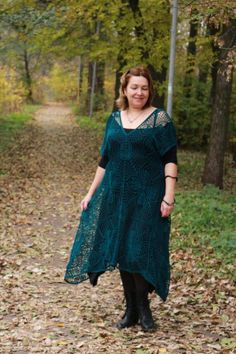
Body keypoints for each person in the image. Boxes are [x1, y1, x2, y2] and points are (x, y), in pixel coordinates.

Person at [64, 66, 178, 332]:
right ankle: (131, 310)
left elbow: (170, 160)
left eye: (144, 87)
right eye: (134, 87)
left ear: (150, 91)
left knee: (139, 250)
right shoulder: (114, 120)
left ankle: (144, 310)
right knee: (124, 252)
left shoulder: (160, 120)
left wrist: (168, 197)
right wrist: (90, 193)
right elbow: (105, 160)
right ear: (125, 90)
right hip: (117, 197)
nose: (139, 92)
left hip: (148, 197)